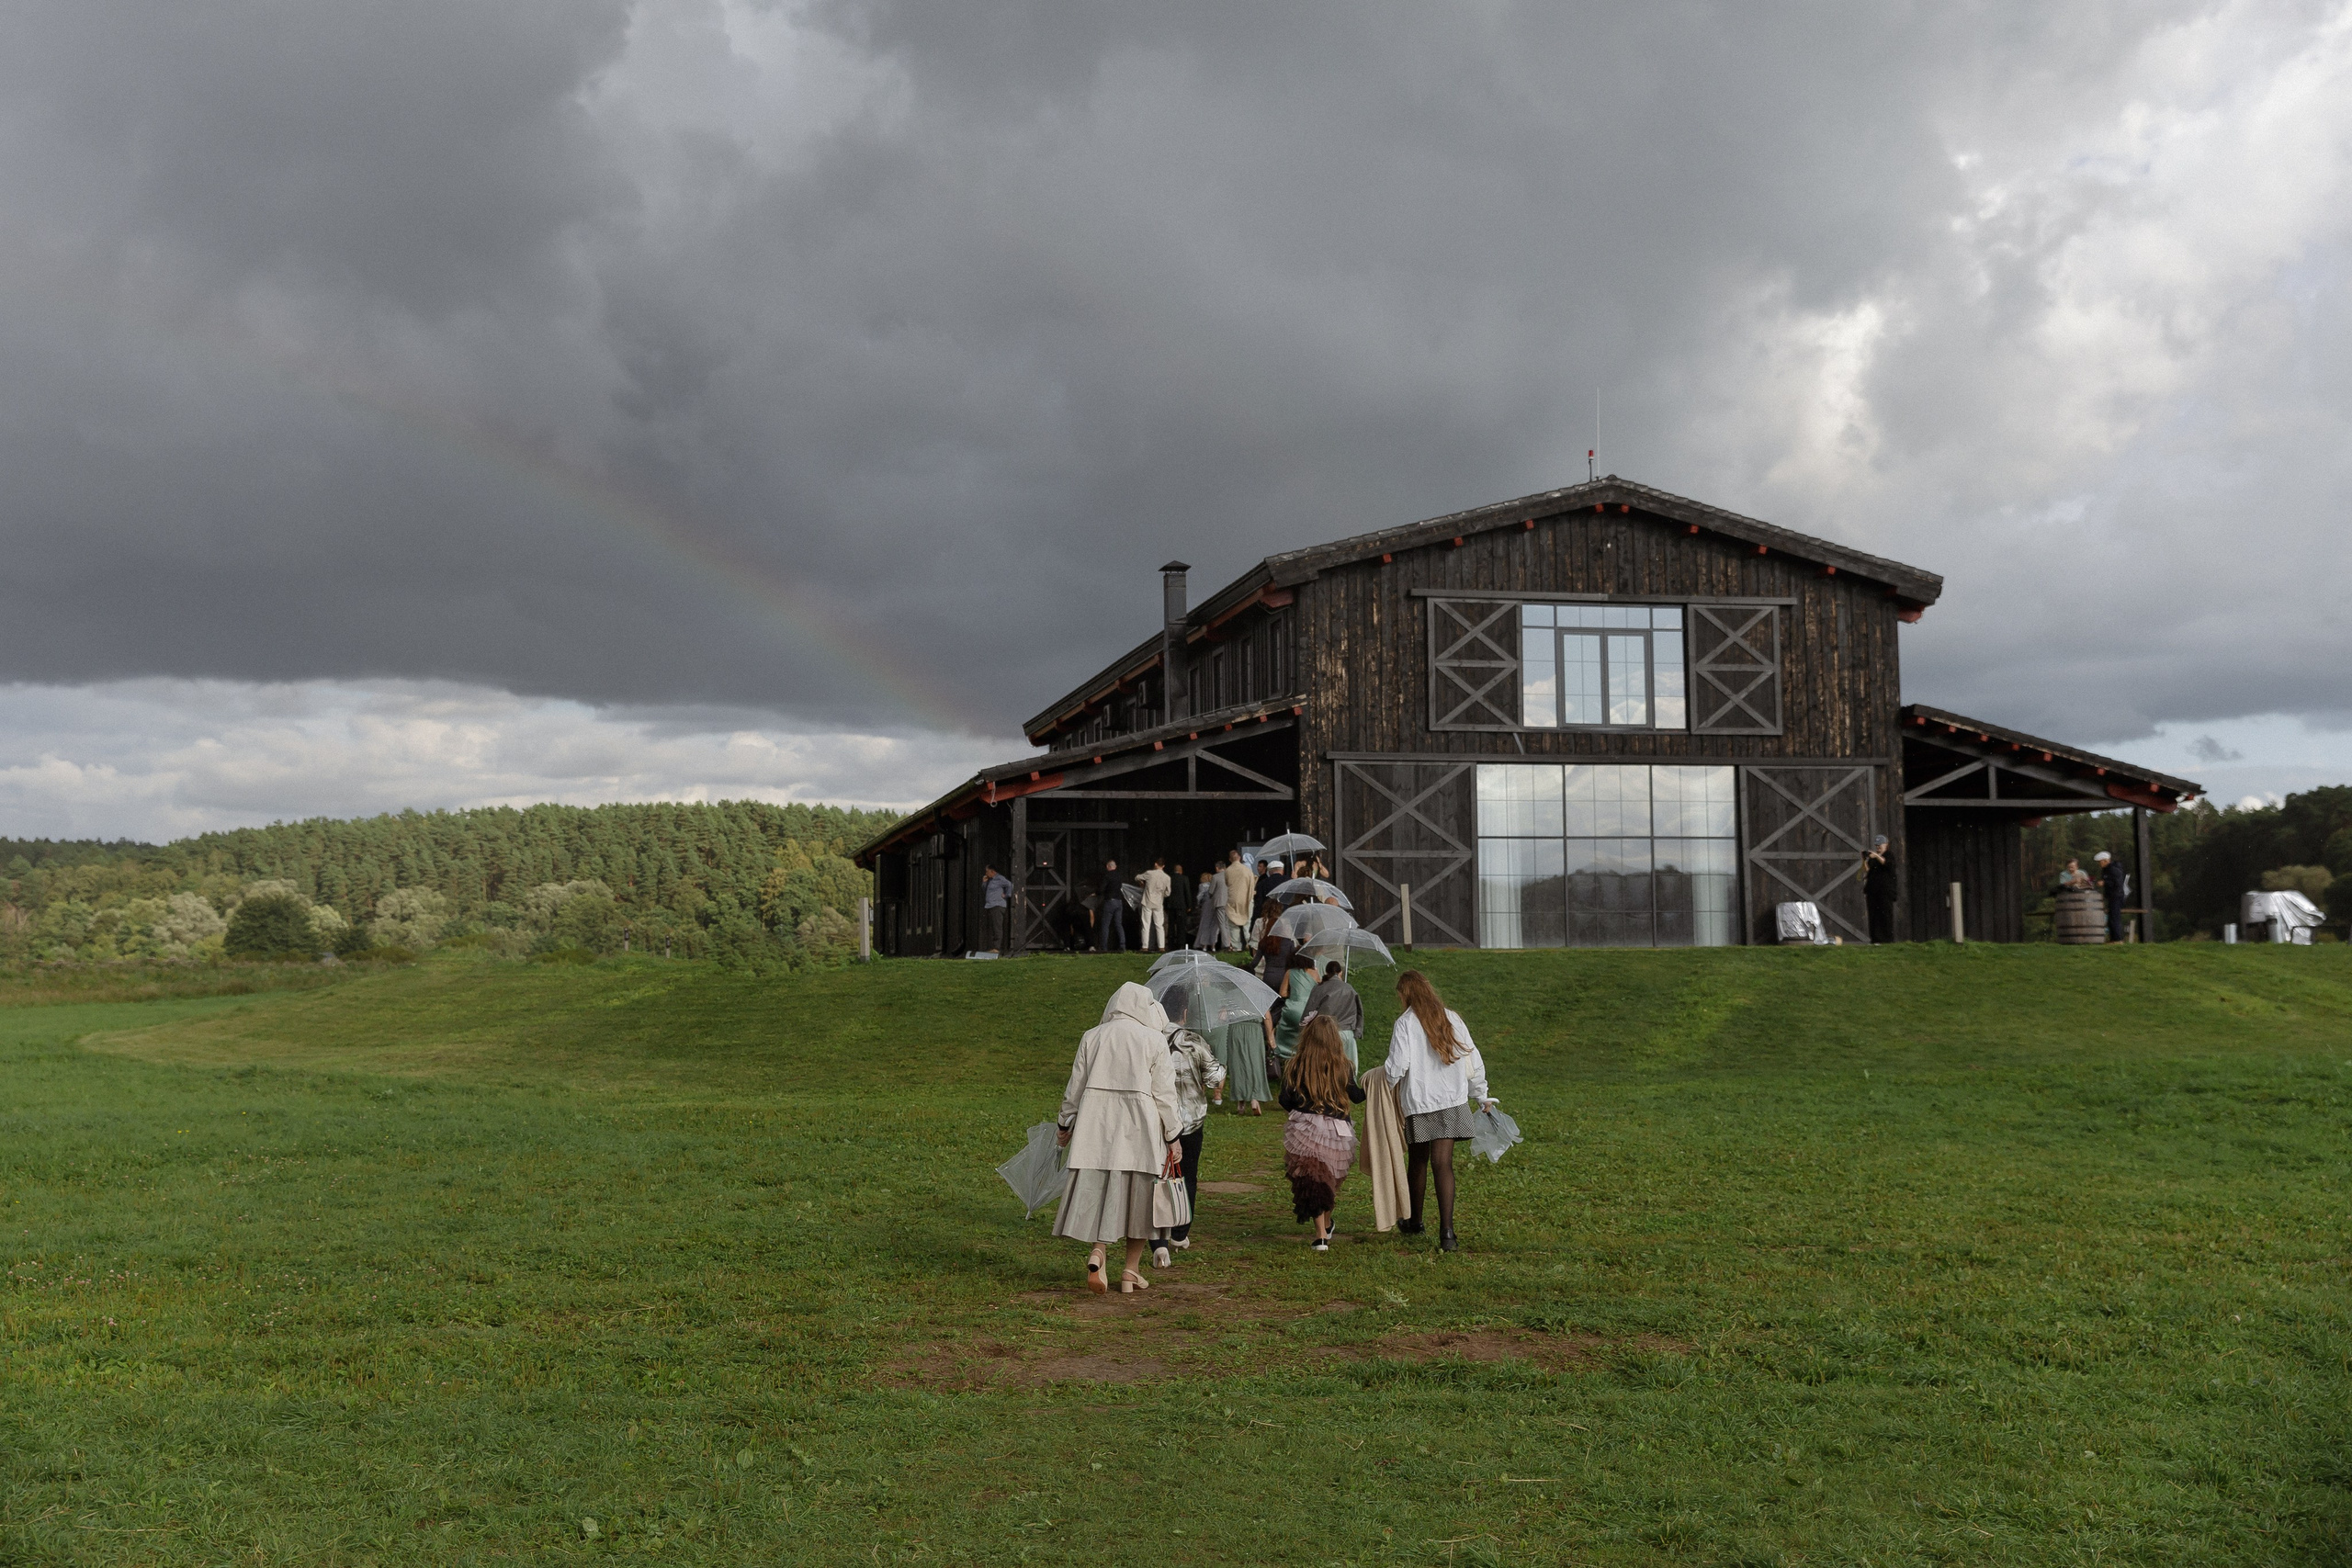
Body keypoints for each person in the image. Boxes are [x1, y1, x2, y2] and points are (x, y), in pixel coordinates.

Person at [1054, 983, 1184, 1294]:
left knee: (1105, 1192)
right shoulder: (1154, 1040)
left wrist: (1064, 1122)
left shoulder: (1093, 1035)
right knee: (1140, 1202)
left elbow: (1076, 1085)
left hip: (1096, 1128)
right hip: (1141, 1129)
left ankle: (1099, 1251)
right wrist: (1174, 1135)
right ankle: (1130, 1270)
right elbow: (1165, 1094)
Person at [1381, 969, 1493, 1253]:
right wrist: (1481, 1094)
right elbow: (1472, 1059)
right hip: (1452, 1101)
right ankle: (1448, 1234)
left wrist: (1381, 1082)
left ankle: (1415, 1221)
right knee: (1443, 1164)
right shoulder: (1451, 1017)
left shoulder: (1405, 1023)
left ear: (1406, 994)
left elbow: (1397, 1066)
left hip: (1420, 1102)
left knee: (1418, 1161)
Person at [1150, 982, 1227, 1266]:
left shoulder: (1150, 1039)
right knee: (1187, 1175)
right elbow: (1214, 1077)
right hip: (1190, 1123)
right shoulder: (1194, 1041)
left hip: (1157, 1123)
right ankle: (1180, 1233)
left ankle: (1157, 1239)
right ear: (1184, 1012)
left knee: (1157, 1177)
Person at [1279, 1016, 1365, 1252]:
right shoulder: (1343, 1066)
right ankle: (1324, 1228)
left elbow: (1284, 1099)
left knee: (1312, 1177)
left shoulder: (1295, 1064)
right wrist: (1373, 1082)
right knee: (1330, 1179)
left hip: (1305, 1128)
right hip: (1338, 1130)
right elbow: (1356, 1096)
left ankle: (1321, 1233)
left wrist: (1302, 1110)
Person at [1302, 960, 1363, 1069]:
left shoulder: (1319, 988)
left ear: (1326, 972)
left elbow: (1309, 1011)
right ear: (1340, 973)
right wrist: (1358, 1031)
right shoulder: (1349, 989)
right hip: (1347, 1033)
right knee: (1349, 1068)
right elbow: (1359, 1012)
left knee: (1328, 1067)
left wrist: (1304, 1028)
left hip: (1326, 1032)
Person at [1860, 835, 1898, 944]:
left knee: (1885, 914)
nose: (1878, 847)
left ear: (1886, 845)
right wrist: (1864, 859)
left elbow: (1886, 863)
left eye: (1880, 845)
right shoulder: (1873, 859)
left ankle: (1887, 939)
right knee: (1874, 915)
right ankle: (1875, 939)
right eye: (1876, 846)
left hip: (1885, 891)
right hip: (1873, 891)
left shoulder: (1889, 855)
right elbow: (1867, 869)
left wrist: (1876, 855)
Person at [1218, 852, 1254, 952]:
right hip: (1247, 899)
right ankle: (1248, 943)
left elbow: (1227, 883)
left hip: (1233, 900)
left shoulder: (1228, 871)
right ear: (1240, 858)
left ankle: (1236, 946)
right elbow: (1252, 884)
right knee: (1247, 922)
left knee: (1233, 924)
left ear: (1230, 859)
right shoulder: (1247, 870)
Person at [1137, 857, 1172, 952]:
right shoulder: (1167, 877)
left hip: (1147, 902)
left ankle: (1145, 946)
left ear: (1156, 864)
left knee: (1146, 925)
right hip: (1158, 903)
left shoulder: (1149, 873)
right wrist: (1161, 895)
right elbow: (1168, 893)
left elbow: (1138, 877)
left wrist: (1141, 883)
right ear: (1163, 866)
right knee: (1159, 925)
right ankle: (1161, 946)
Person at [980, 864, 1015, 954]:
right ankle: (993, 946)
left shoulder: (999, 878)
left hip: (997, 905)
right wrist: (984, 883)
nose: (986, 873)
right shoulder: (990, 880)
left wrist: (1007, 895)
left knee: (997, 926)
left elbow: (1010, 885)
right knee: (992, 926)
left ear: (992, 871)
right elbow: (985, 891)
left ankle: (997, 948)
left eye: (987, 871)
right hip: (990, 905)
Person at [1096, 860, 1129, 953]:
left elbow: (1101, 889)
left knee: (1105, 925)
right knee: (1118, 924)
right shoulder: (1119, 876)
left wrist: (1097, 892)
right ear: (1115, 866)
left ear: (1108, 866)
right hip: (1119, 902)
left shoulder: (1107, 876)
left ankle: (1104, 947)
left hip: (1110, 901)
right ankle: (1122, 945)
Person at [2097, 851, 2128, 942]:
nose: (2099, 864)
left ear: (2105, 861)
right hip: (2111, 897)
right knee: (2111, 919)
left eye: (2100, 862)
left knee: (2115, 918)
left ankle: (2118, 940)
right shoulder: (2106, 870)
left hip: (2116, 897)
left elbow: (2117, 883)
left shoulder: (2114, 869)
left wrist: (2105, 883)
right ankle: (2113, 939)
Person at [1193, 870, 1223, 952]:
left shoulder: (1202, 886)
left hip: (1206, 905)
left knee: (1205, 925)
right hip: (1215, 905)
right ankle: (1213, 945)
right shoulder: (1215, 884)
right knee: (1214, 926)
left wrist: (1198, 905)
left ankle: (1204, 945)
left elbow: (1199, 896)